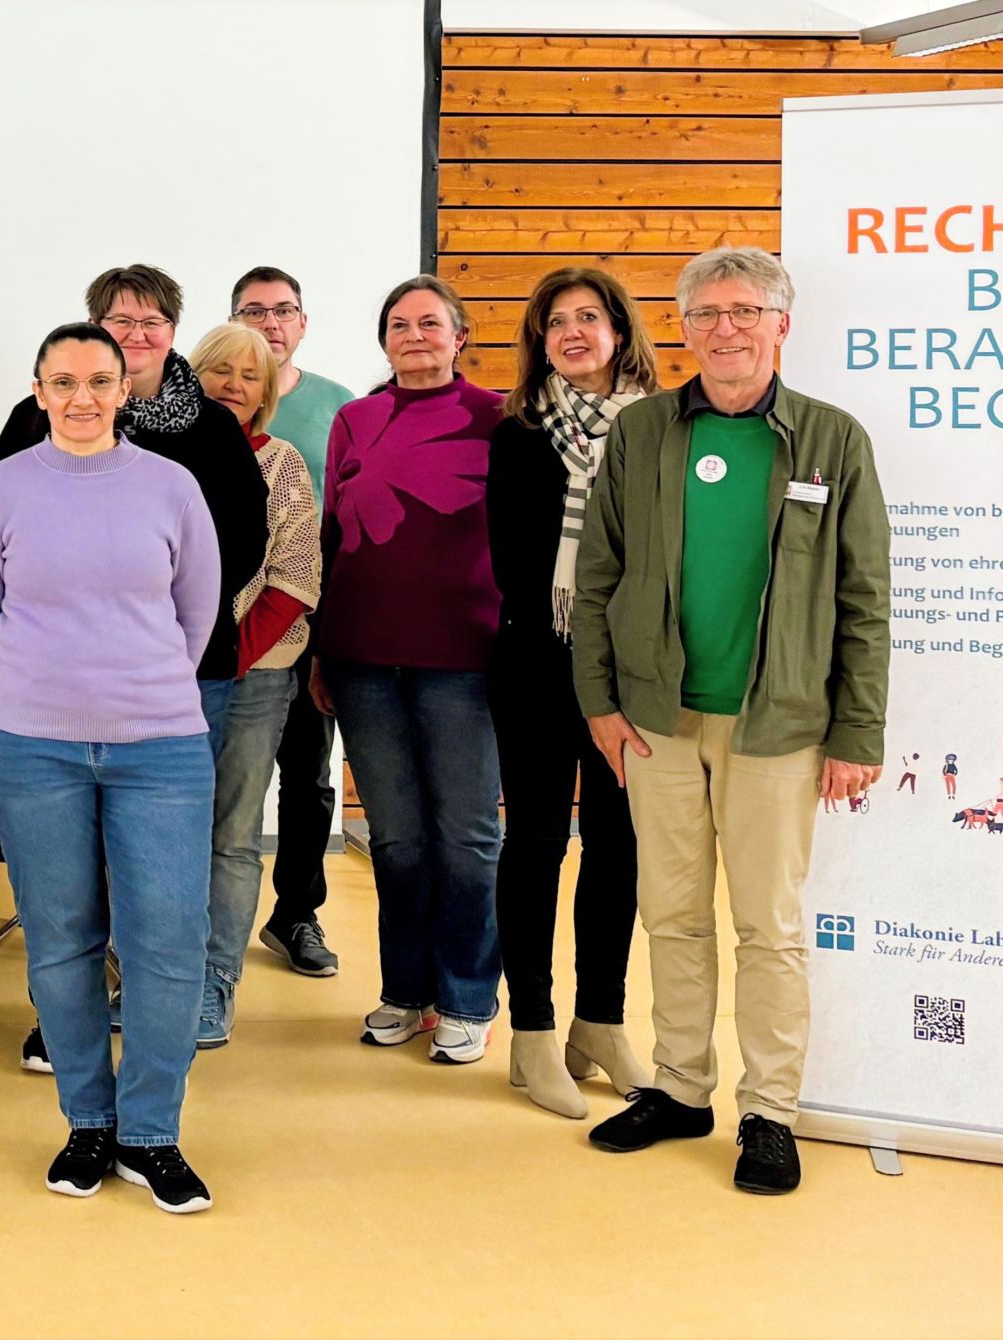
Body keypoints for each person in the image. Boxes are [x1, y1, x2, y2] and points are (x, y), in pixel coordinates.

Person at [574, 246, 890, 1195]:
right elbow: (596, 578)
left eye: (745, 311)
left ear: (780, 325)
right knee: (671, 916)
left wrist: (856, 733)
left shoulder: (832, 440)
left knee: (769, 926)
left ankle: (770, 1114)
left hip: (780, 727)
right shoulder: (643, 435)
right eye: (706, 313)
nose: (725, 329)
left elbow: (865, 598)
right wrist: (599, 700)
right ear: (683, 328)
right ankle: (679, 1089)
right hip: (658, 718)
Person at [0, 322, 220, 1214]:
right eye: (62, 381)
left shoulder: (172, 486)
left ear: (123, 390)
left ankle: (153, 1133)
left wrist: (131, 692)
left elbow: (197, 614)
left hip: (161, 749)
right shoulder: (1, 489)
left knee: (167, 942)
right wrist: (38, 699)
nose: (81, 397)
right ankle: (88, 1123)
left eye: (99, 380)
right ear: (38, 392)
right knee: (62, 940)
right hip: (34, 750)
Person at [0, 263, 265, 1073]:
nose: (136, 334)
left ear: (173, 332)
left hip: (181, 680)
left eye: (151, 322)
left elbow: (238, 545)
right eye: (120, 321)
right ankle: (64, 1017)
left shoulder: (209, 429)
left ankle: (160, 1019)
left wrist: (164, 654)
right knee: (69, 872)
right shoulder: (29, 418)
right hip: (54, 692)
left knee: (162, 867)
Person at [310, 275, 505, 1065]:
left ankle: (467, 997)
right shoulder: (356, 419)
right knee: (394, 838)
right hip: (363, 656)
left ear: (459, 337)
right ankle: (405, 991)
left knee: (465, 835)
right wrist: (323, 646)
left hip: (465, 657)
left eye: (431, 323)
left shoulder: (497, 417)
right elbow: (328, 532)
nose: (415, 335)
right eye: (399, 324)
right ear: (383, 340)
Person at [485, 266, 661, 1119]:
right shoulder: (519, 433)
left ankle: (600, 1022)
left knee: (620, 845)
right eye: (556, 323)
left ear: (620, 332)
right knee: (538, 844)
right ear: (539, 342)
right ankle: (533, 1034)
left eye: (590, 318)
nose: (574, 334)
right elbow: (518, 569)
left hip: (635, 669)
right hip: (538, 659)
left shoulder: (661, 429)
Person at [187, 323, 320, 1051]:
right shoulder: (162, 457)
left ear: (267, 392)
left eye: (251, 375)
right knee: (155, 838)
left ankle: (214, 984)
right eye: (220, 370)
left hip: (252, 676)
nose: (235, 383)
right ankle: (150, 981)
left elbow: (296, 579)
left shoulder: (284, 466)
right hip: (162, 682)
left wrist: (222, 660)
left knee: (230, 838)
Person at [231, 266, 358, 978]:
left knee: (307, 778)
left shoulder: (340, 407)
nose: (270, 322)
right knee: (228, 791)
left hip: (309, 626)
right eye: (254, 310)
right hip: (228, 642)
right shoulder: (214, 403)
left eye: (284, 311)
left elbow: (345, 524)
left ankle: (296, 914)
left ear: (303, 323)